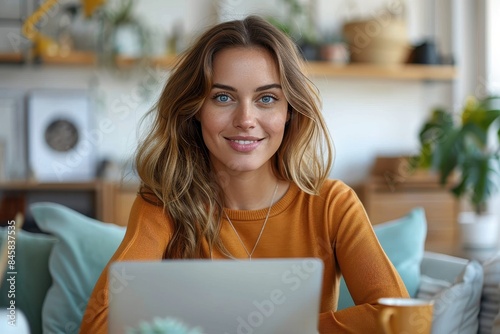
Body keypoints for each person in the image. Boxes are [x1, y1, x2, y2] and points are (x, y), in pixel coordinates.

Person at [80, 15, 408, 333]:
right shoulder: (165, 204)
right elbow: (97, 324)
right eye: (223, 97)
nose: (246, 119)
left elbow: (402, 321)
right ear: (194, 111)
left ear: (289, 112)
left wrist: (291, 328)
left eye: (267, 98)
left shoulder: (332, 205)